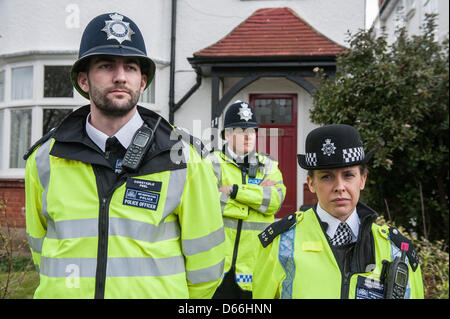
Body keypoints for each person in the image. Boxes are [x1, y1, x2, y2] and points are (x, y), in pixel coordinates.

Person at [24, 12, 225, 299]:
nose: (120, 77)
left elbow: (207, 265)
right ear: (83, 80)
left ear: (143, 82)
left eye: (130, 67)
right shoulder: (45, 158)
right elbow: (41, 251)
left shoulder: (183, 158)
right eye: (106, 66)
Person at [253, 124, 424, 299]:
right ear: (311, 183)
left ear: (362, 180)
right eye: (326, 177)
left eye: (348, 175)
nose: (339, 187)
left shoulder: (396, 251)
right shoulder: (281, 244)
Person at [208, 100, 286, 298]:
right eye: (241, 131)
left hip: (253, 268)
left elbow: (274, 201)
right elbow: (207, 202)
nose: (248, 137)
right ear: (227, 134)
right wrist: (255, 197)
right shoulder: (211, 163)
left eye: (251, 131)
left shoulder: (268, 165)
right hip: (217, 268)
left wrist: (235, 191)